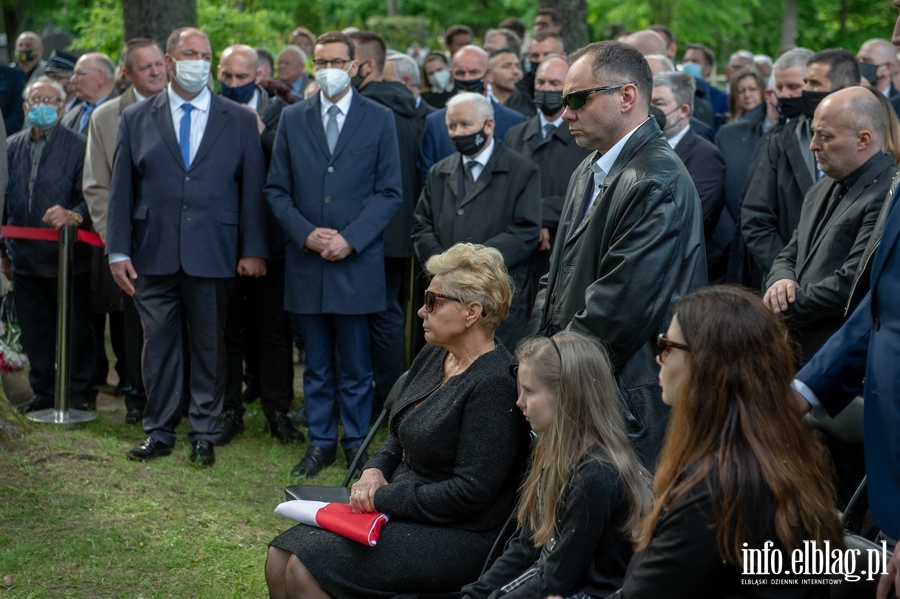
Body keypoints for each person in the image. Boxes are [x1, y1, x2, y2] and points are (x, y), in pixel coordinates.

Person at [266, 243, 531, 598]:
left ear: (472, 312)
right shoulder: (436, 353)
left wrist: (385, 498)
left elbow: (469, 493)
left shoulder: (494, 384)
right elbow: (397, 432)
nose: (422, 310)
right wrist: (373, 470)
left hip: (460, 532)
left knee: (304, 568)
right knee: (279, 555)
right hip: (403, 508)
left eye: (434, 301)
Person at [531, 41, 707, 467]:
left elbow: (621, 309)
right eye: (562, 100)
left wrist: (549, 370)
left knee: (617, 526)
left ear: (626, 96)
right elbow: (553, 281)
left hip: (622, 393)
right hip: (582, 378)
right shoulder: (589, 167)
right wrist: (540, 352)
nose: (565, 112)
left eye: (577, 99)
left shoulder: (654, 181)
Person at [610, 286, 845, 597]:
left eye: (667, 345)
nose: (658, 357)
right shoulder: (770, 458)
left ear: (708, 365)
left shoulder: (717, 490)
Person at [106, 27, 268, 467]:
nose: (198, 60)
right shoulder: (137, 118)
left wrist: (253, 249)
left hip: (214, 251)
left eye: (205, 53)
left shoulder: (236, 119)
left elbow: (252, 190)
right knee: (156, 345)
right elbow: (122, 188)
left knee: (209, 345)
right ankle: (158, 430)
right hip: (151, 252)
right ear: (171, 61)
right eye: (189, 53)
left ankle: (203, 430)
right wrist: (117, 250)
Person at [264, 31, 402, 477]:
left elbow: (389, 192)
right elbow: (277, 189)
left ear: (353, 65)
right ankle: (321, 441)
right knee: (318, 363)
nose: (326, 69)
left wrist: (352, 238)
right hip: (307, 262)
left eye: (335, 62)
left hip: (356, 262)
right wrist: (306, 234)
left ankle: (357, 443)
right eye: (319, 62)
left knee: (357, 364)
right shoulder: (293, 117)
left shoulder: (379, 119)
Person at [461, 332, 653, 599]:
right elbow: (527, 544)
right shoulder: (552, 451)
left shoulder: (595, 477)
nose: (519, 402)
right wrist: (476, 593)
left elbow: (557, 578)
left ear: (567, 396)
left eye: (529, 391)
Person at [764, 87, 895, 364]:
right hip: (796, 353)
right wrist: (780, 280)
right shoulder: (822, 186)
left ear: (863, 139)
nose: (813, 144)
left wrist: (783, 306)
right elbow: (791, 251)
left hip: (838, 358)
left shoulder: (889, 195)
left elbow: (852, 283)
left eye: (825, 136)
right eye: (813, 132)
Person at [214, 44, 301, 446]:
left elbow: (293, 168)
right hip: (221, 241)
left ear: (259, 77)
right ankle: (229, 408)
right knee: (225, 329)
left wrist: (262, 133)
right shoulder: (211, 111)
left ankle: (277, 410)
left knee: (273, 330)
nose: (233, 85)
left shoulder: (284, 113)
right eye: (227, 77)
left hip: (273, 240)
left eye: (241, 78)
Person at [412, 92, 541, 349]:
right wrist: (447, 267)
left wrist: (474, 266)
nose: (458, 133)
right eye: (452, 126)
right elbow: (421, 226)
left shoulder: (521, 170)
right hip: (447, 296)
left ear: (489, 125)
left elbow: (525, 230)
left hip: (495, 295)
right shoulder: (440, 171)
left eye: (465, 125)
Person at [82, 38, 167, 425]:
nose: (155, 71)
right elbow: (97, 186)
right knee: (135, 328)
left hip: (180, 240)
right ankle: (138, 397)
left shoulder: (188, 107)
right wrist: (115, 241)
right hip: (132, 243)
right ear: (126, 74)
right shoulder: (106, 117)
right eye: (145, 66)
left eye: (158, 64)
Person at [3, 76, 97, 414]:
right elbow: (4, 201)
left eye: (50, 101)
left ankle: (81, 390)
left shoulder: (80, 145)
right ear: (25, 107)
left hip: (68, 255)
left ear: (61, 107)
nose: (42, 106)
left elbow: (94, 197)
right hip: (24, 256)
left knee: (75, 328)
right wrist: (4, 251)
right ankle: (42, 390)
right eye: (35, 100)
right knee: (35, 330)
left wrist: (74, 215)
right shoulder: (11, 146)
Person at [742, 49, 860, 289]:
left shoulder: (880, 141)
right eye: (805, 82)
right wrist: (785, 275)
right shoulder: (783, 140)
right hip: (789, 289)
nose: (806, 91)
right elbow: (756, 218)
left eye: (814, 83)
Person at [504, 55, 592, 315]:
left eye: (556, 83)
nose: (547, 89)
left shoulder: (585, 135)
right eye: (541, 82)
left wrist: (539, 216)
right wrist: (533, 222)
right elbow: (505, 191)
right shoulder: (515, 134)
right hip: (518, 253)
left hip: (563, 249)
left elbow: (587, 192)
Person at [417, 45, 526, 183]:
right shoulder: (434, 123)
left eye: (474, 72)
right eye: (460, 73)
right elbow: (427, 178)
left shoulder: (515, 121)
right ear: (452, 74)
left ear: (489, 74)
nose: (467, 79)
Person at [651, 72, 725, 247]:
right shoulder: (640, 147)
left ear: (683, 110)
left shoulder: (706, 156)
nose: (650, 111)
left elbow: (686, 217)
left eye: (659, 103)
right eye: (647, 103)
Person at [61, 53, 116, 133]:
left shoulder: (122, 113)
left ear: (101, 77)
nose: (72, 80)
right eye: (74, 74)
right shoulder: (73, 113)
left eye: (79, 73)